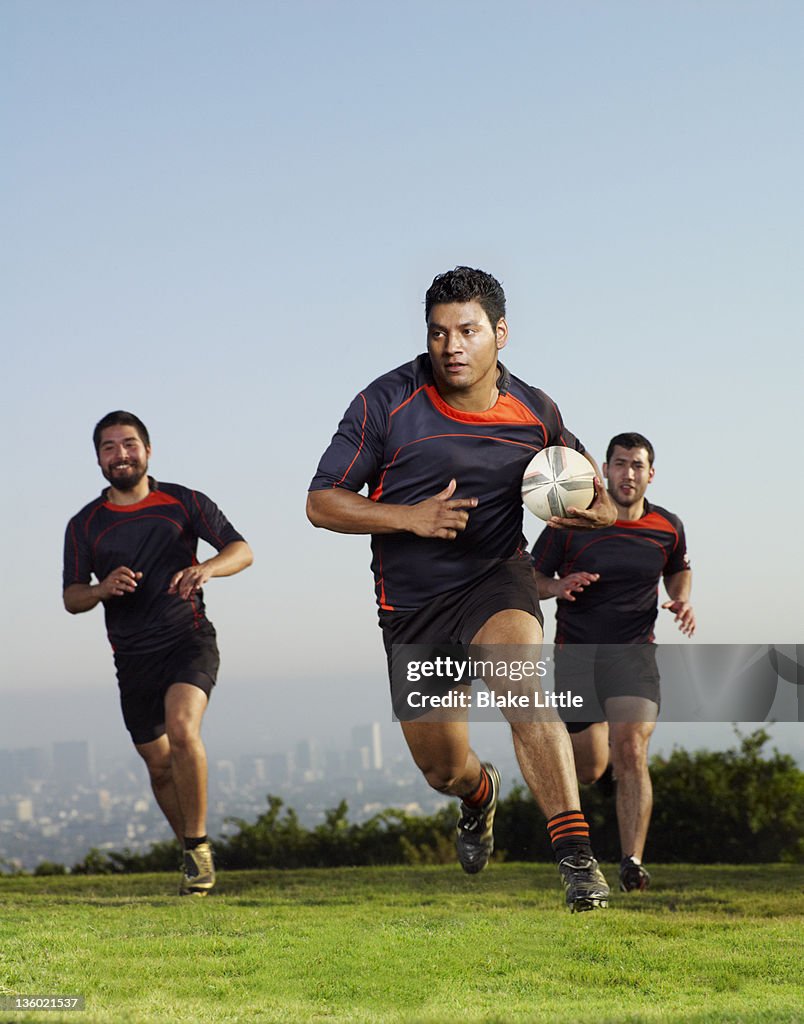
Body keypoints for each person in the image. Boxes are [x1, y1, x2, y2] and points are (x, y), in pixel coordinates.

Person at [307, 266, 618, 912]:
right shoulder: (385, 403)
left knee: (522, 684)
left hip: (494, 579)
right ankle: (480, 796)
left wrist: (594, 511)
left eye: (468, 331)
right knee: (442, 767)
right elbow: (321, 502)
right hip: (412, 606)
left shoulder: (536, 411)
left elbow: (604, 501)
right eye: (439, 332)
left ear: (500, 334)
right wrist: (409, 517)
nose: (452, 346)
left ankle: (578, 861)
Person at [63, 411, 253, 895]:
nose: (120, 454)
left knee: (183, 729)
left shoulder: (184, 502)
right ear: (98, 459)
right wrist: (102, 588)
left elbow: (242, 549)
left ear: (148, 450)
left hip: (188, 639)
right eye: (109, 447)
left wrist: (208, 568)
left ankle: (198, 845)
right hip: (132, 659)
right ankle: (191, 852)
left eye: (129, 444)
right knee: (159, 763)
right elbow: (71, 598)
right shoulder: (85, 524)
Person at [531, 431, 694, 892]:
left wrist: (681, 599)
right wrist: (557, 587)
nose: (628, 473)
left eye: (637, 465)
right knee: (588, 767)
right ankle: (603, 779)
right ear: (603, 470)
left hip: (634, 655)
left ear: (650, 474)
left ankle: (631, 861)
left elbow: (679, 566)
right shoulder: (573, 520)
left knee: (632, 750)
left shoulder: (667, 526)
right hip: (577, 657)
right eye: (619, 464)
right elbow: (532, 575)